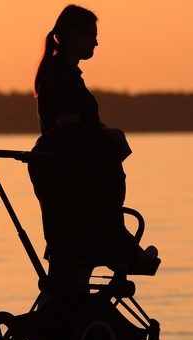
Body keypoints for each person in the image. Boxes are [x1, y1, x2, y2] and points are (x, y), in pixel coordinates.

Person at [28, 5, 157, 293]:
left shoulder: (67, 75)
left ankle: (73, 318)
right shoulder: (60, 79)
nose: (96, 42)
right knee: (78, 253)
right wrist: (108, 136)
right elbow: (68, 131)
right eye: (92, 35)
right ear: (73, 35)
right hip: (71, 178)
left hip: (73, 177)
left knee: (73, 266)